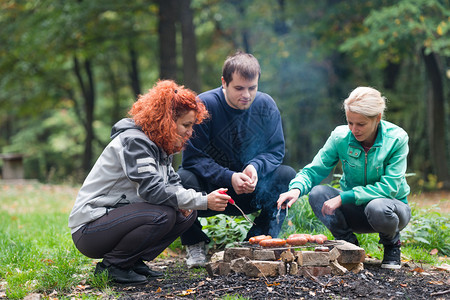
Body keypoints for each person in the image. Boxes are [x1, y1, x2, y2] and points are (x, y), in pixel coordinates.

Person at [68, 80, 231, 284]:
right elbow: (153, 191)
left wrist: (190, 203)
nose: (191, 132)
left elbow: (172, 182)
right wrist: (204, 200)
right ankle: (112, 267)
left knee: (185, 213)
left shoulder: (161, 145)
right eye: (186, 125)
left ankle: (131, 261)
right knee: (162, 214)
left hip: (115, 220)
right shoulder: (135, 142)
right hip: (90, 228)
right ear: (167, 121)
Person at [178, 51, 296, 268]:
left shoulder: (265, 106)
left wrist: (255, 167)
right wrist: (229, 177)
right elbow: (192, 158)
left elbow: (276, 151)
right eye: (239, 88)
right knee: (182, 178)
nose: (247, 95)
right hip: (212, 193)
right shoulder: (204, 105)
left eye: (252, 88)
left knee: (287, 176)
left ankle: (258, 238)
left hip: (252, 191)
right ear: (224, 82)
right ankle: (194, 245)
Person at [277, 86, 411, 269]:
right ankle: (349, 246)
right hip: (356, 210)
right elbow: (315, 169)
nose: (354, 130)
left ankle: (392, 245)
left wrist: (343, 197)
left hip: (390, 210)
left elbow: (389, 187)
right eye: (350, 123)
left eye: (361, 124)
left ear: (378, 118)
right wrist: (296, 188)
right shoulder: (340, 137)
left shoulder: (396, 139)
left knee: (377, 206)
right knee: (318, 194)